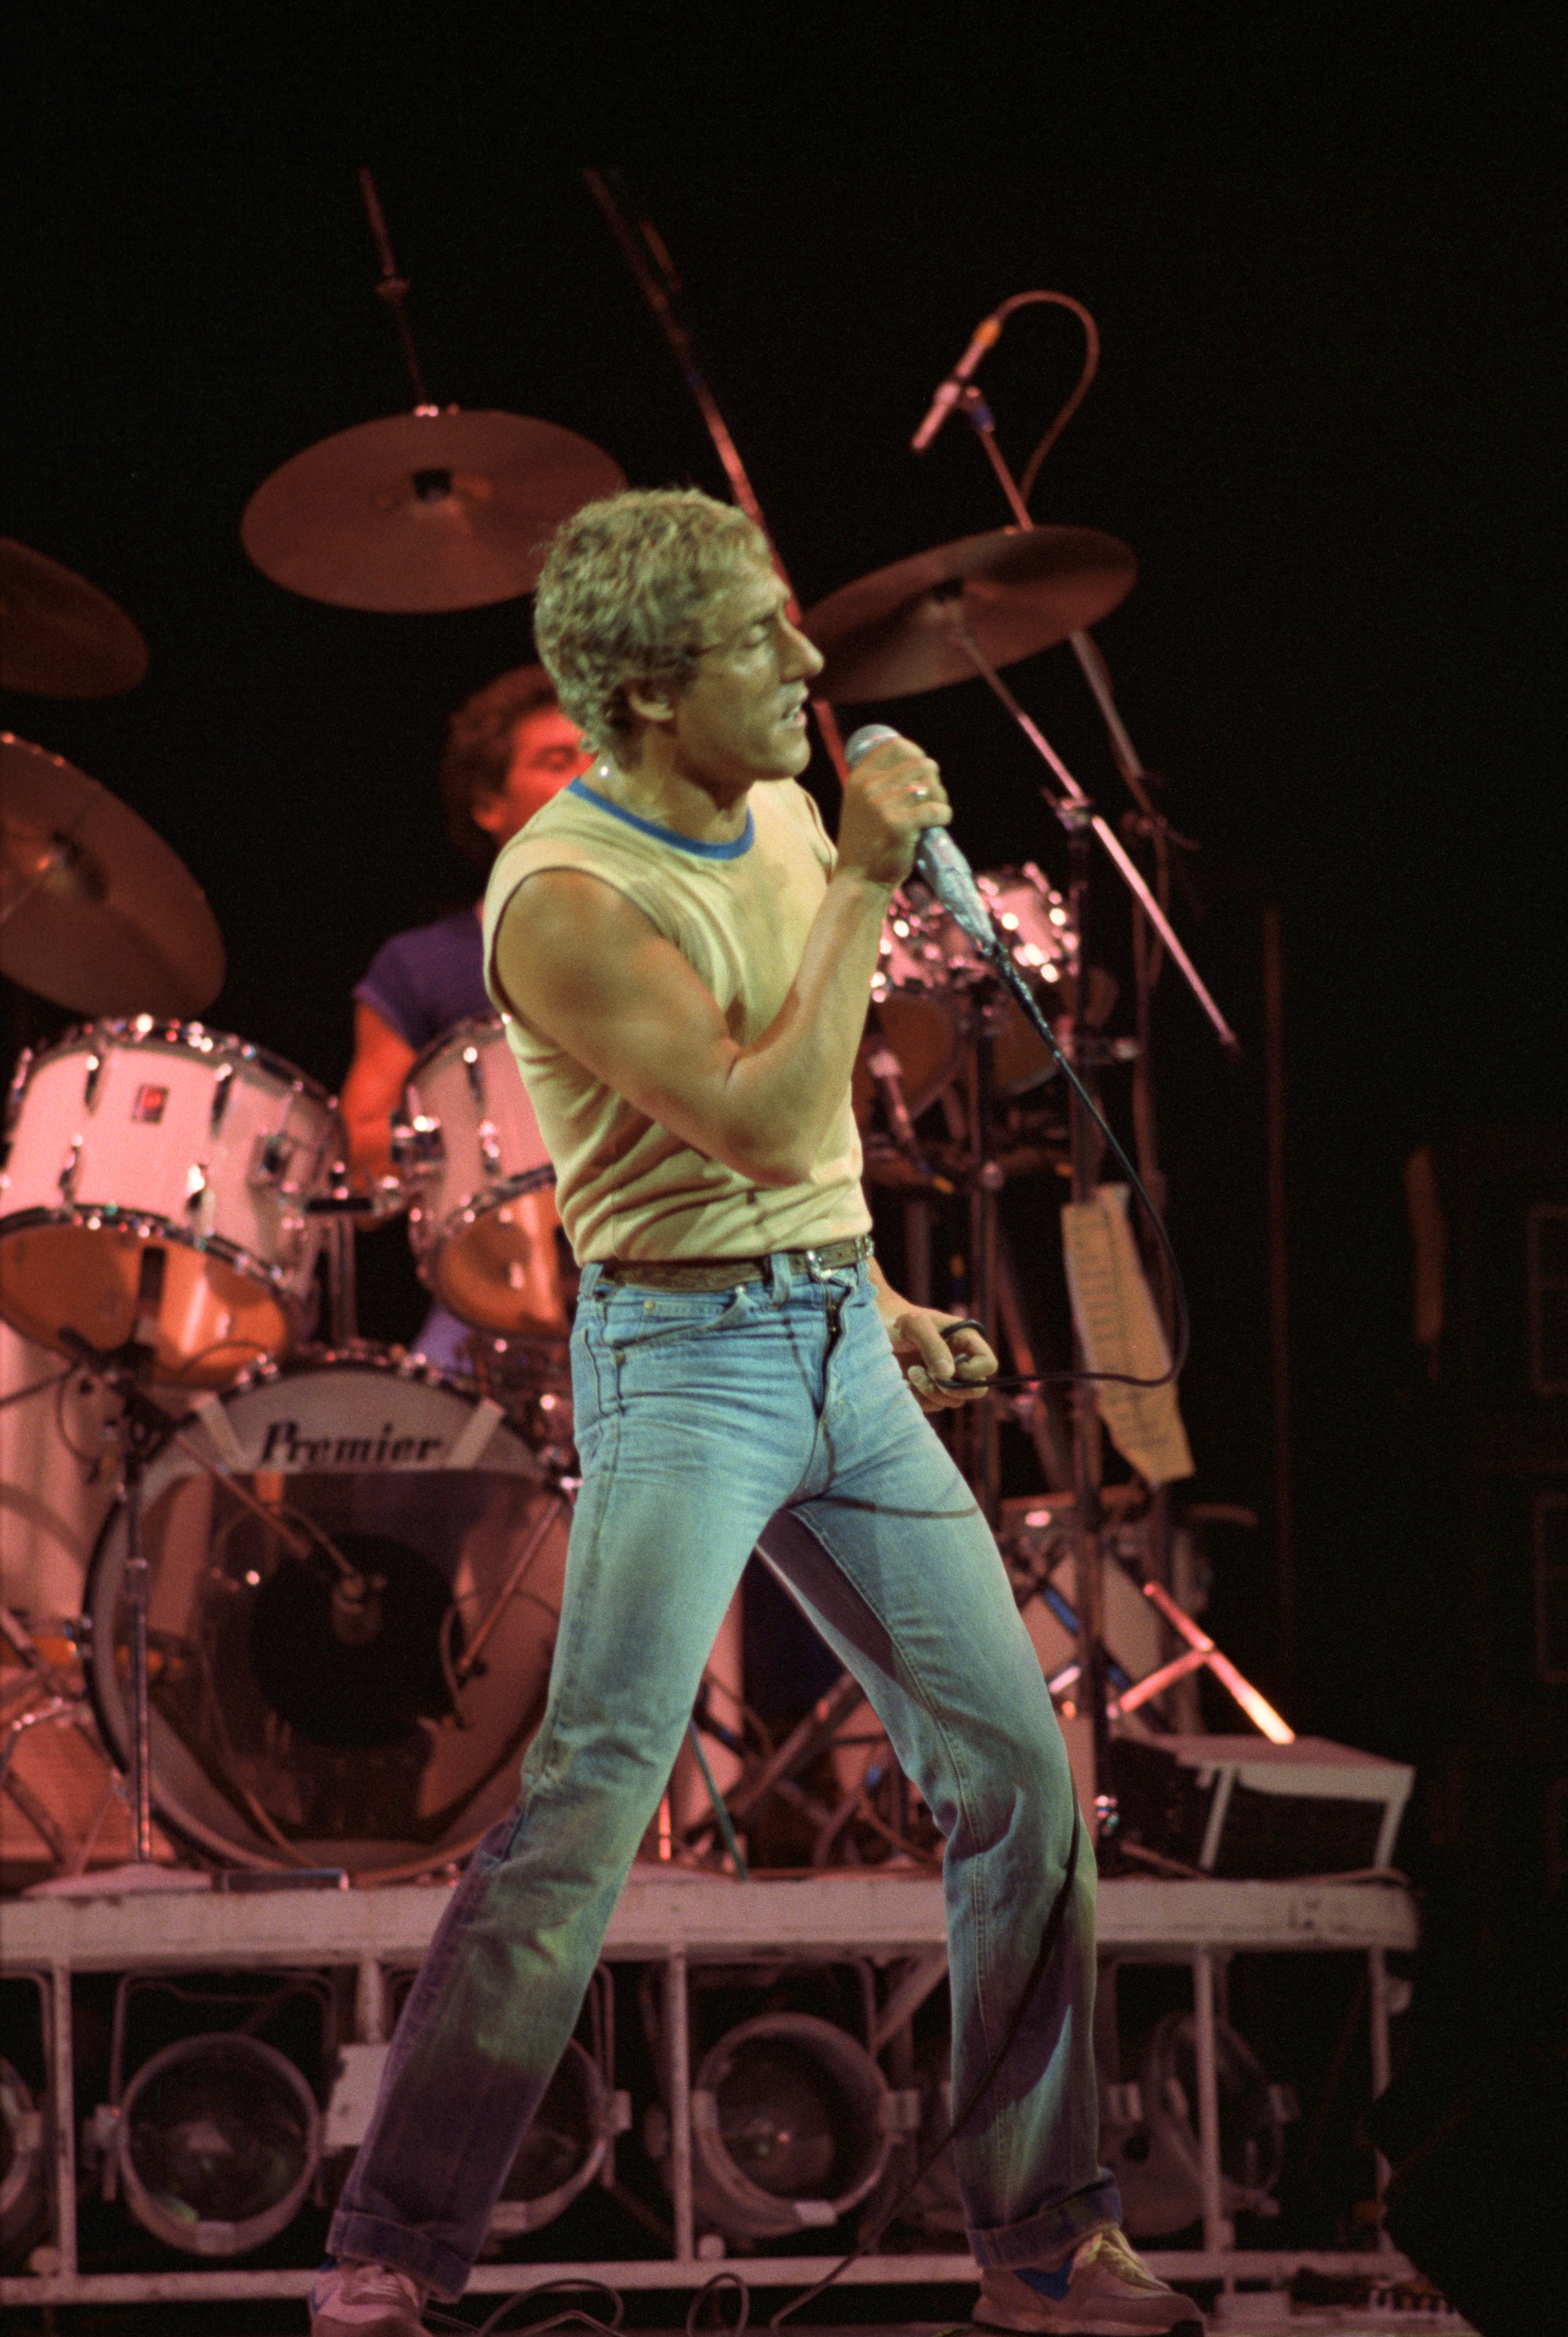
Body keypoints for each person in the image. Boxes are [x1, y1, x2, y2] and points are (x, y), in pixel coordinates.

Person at [312, 490, 1202, 2337]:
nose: (809, 662)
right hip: (681, 1367)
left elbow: (814, 1145)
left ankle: (1042, 2245)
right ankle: (391, 2248)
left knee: (1022, 1781)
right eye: (758, 641)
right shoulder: (563, 895)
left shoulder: (783, 809)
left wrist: (872, 1289)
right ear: (650, 689)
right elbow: (753, 1109)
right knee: (587, 1802)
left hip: (834, 1343)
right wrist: (871, 875)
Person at [339, 665, 591, 1367]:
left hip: (674, 1257)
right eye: (557, 761)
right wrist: (463, 1142)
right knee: (427, 1424)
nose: (590, 776)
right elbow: (362, 1142)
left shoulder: (676, 939)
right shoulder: (421, 964)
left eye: (599, 755)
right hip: (496, 1279)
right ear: (488, 803)